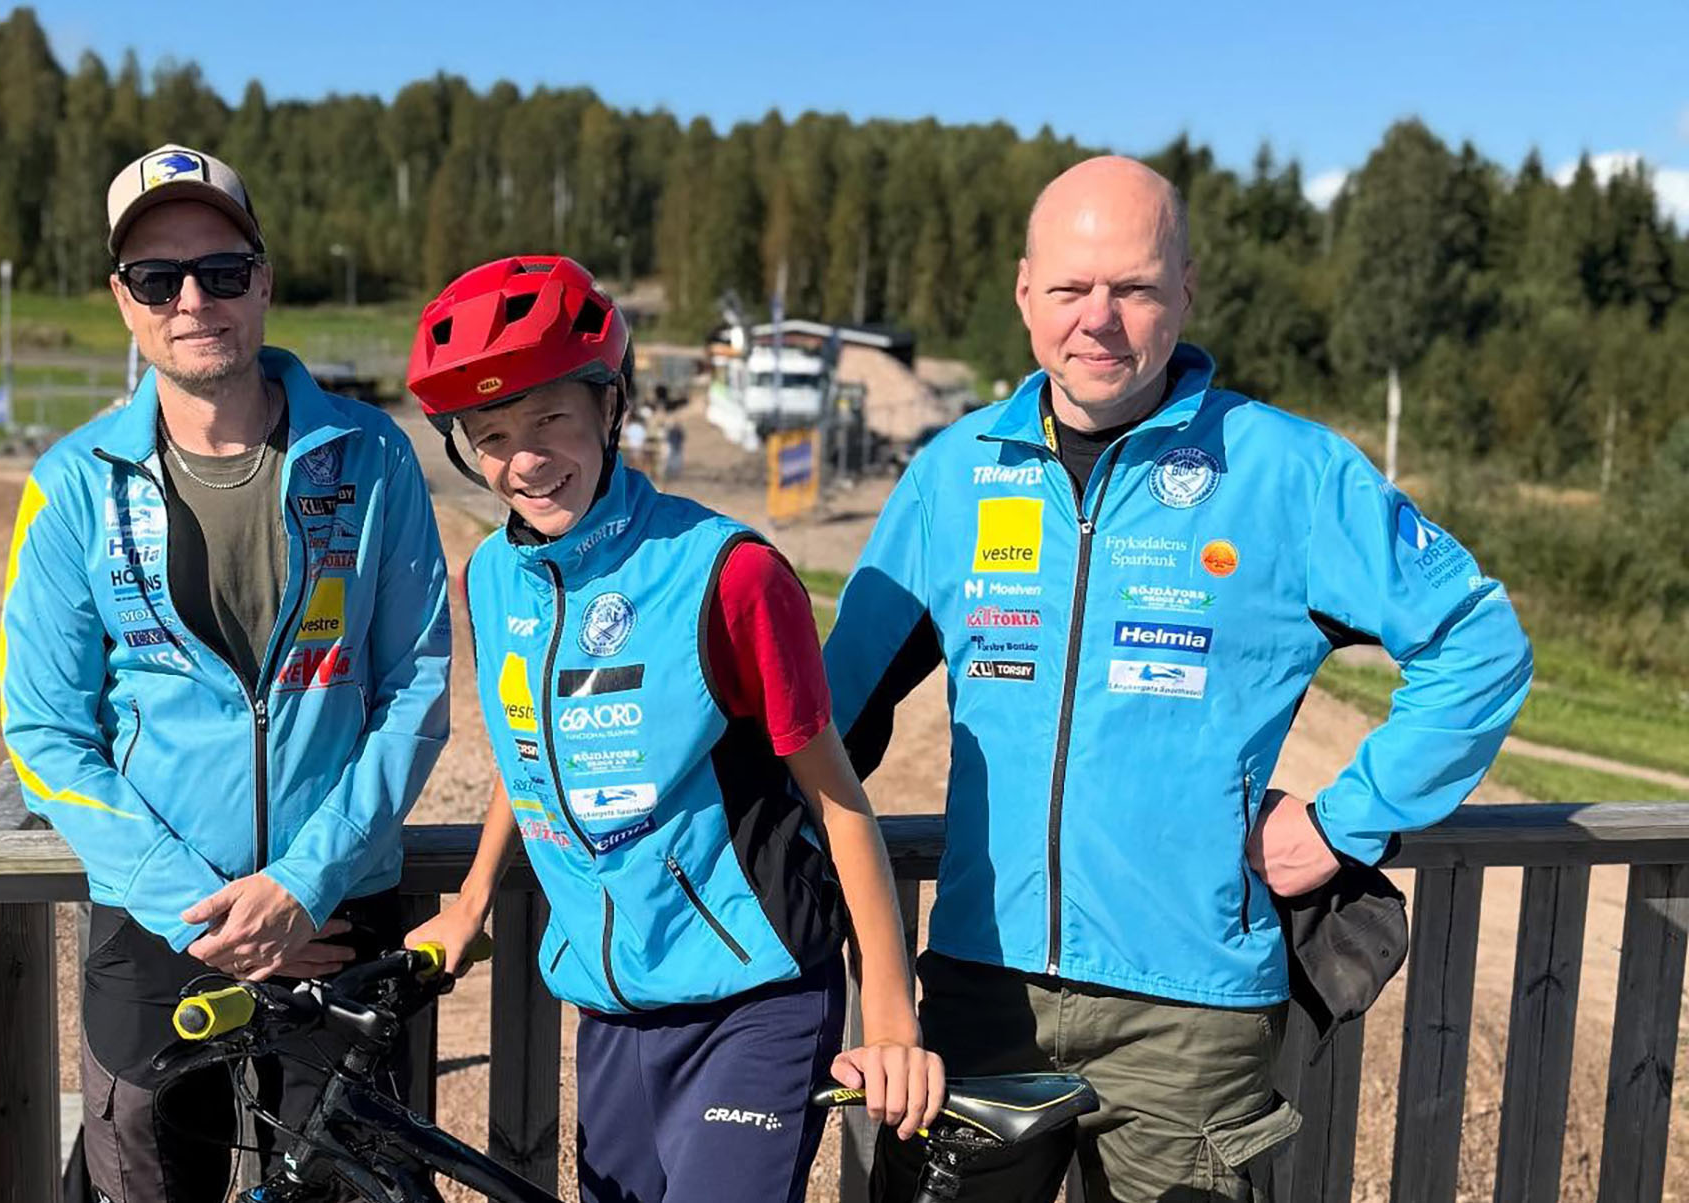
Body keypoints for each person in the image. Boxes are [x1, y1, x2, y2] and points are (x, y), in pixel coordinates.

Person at [824, 156, 1533, 1202]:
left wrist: (1347, 820)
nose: (1097, 320)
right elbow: (830, 711)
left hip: (1191, 1016)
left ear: (1185, 292)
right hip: (981, 995)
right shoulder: (950, 474)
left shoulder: (1284, 471)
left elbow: (1478, 641)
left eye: (1134, 288)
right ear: (1025, 293)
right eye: (1070, 288)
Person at [402, 256, 943, 1203]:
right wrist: (473, 897)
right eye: (488, 436)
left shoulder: (728, 575)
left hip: (756, 995)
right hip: (613, 1007)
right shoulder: (490, 578)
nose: (522, 460)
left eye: (548, 420)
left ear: (610, 408)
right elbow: (525, 754)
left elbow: (840, 801)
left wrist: (890, 1014)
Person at [0, 142, 451, 1203]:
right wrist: (209, 912)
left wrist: (302, 883)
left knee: (348, 1187)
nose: (193, 299)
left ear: (265, 281)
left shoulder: (371, 455)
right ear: (124, 301)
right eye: (159, 278)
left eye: (221, 270)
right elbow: (44, 733)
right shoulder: (69, 487)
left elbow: (417, 683)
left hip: (334, 915)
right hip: (163, 932)